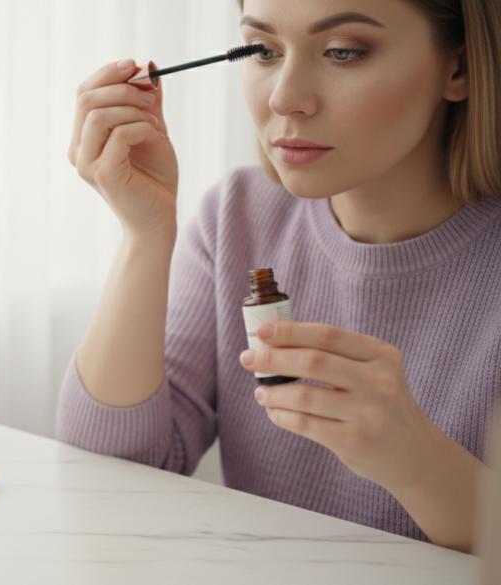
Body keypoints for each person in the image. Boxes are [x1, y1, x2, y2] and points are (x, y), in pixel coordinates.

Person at [56, 0, 501, 552]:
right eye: (263, 51)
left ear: (460, 68)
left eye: (343, 52)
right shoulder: (236, 217)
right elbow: (107, 480)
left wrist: (420, 464)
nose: (284, 98)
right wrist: (144, 235)